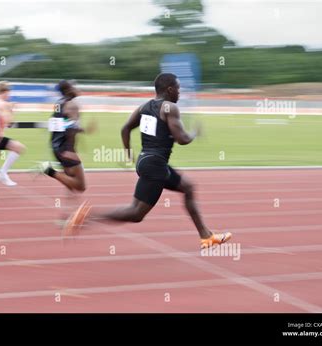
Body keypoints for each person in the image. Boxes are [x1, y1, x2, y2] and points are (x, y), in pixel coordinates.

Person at [65, 73, 232, 249]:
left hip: (148, 162)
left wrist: (129, 153)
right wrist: (194, 133)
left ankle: (206, 236)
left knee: (188, 187)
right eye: (178, 88)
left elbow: (125, 128)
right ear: (169, 89)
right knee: (136, 213)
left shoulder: (143, 107)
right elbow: (181, 139)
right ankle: (88, 217)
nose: (180, 93)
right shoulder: (170, 108)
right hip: (155, 165)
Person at [36, 80, 95, 228]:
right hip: (66, 150)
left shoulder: (59, 104)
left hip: (57, 148)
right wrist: (71, 149)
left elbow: (57, 126)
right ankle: (49, 171)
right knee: (80, 186)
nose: (77, 88)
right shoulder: (72, 105)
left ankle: (67, 217)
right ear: (69, 90)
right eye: (74, 86)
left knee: (69, 185)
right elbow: (71, 129)